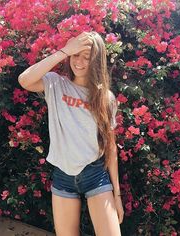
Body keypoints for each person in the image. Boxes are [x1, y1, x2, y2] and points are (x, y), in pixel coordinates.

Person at [18, 31, 124, 236]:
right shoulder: (56, 84)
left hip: (95, 174)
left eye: (87, 57)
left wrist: (117, 197)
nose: (80, 62)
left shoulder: (105, 98)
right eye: (76, 55)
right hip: (63, 177)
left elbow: (110, 147)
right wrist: (65, 51)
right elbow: (25, 80)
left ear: (97, 61)